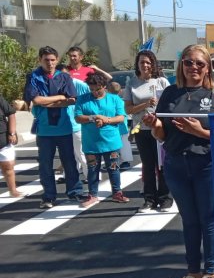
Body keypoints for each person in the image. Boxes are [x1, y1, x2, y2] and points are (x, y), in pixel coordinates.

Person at [142, 44, 214, 278]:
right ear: (181, 65)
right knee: (189, 220)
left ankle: (212, 272)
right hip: (176, 164)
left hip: (207, 164)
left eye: (200, 63)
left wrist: (199, 132)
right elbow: (162, 134)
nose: (194, 67)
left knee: (209, 220)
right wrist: (155, 124)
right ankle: (193, 271)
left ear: (208, 68)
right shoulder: (171, 93)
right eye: (188, 62)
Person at [24, 46, 84, 208]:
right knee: (45, 164)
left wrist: (48, 100)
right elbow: (35, 100)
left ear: (57, 60)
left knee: (69, 161)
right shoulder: (33, 77)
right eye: (46, 60)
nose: (50, 63)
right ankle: (49, 196)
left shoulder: (64, 77)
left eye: (52, 60)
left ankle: (75, 191)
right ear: (40, 60)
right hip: (44, 129)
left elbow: (72, 99)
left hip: (64, 126)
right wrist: (59, 97)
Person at [122, 50, 172, 212]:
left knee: (162, 164)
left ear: (153, 64)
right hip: (141, 129)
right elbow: (128, 108)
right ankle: (149, 199)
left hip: (160, 129)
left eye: (148, 62)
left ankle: (165, 198)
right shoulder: (132, 84)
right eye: (142, 62)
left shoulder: (162, 82)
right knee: (148, 165)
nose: (145, 65)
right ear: (137, 64)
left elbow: (172, 105)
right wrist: (145, 104)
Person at [74, 72, 129, 208]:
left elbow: (121, 117)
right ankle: (92, 194)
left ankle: (117, 192)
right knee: (93, 168)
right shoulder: (82, 99)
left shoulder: (114, 99)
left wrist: (107, 120)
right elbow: (78, 117)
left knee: (114, 167)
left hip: (111, 141)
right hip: (91, 142)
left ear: (104, 86)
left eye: (97, 89)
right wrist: (94, 118)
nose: (94, 92)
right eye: (91, 89)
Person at [0, 93, 21, 197]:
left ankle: (13, 191)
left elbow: (11, 114)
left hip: (3, 138)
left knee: (8, 165)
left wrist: (12, 133)